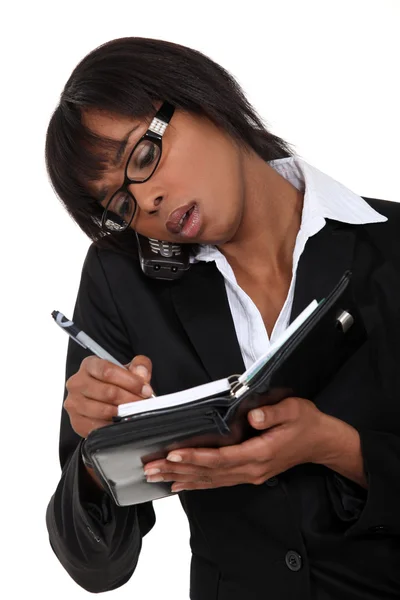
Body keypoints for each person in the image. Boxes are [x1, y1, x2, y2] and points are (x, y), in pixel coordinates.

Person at [45, 37, 400, 600]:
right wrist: (96, 453)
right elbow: (95, 565)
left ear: (202, 97)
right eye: (120, 206)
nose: (149, 202)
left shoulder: (392, 246)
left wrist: (334, 446)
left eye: (143, 156)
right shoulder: (122, 282)